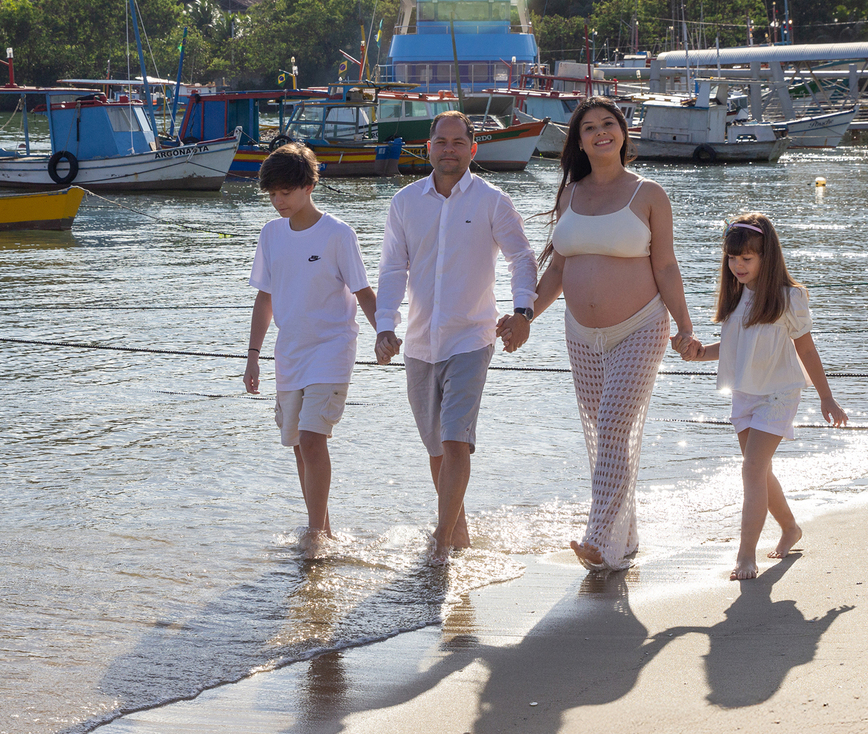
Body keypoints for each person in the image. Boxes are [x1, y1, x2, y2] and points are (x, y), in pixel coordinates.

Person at [526, 96, 695, 572]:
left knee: (614, 425)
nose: (600, 132)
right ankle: (627, 535)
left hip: (641, 326)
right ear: (578, 142)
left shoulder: (648, 194)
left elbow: (666, 266)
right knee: (606, 436)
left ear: (622, 132)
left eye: (608, 123)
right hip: (581, 335)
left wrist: (685, 326)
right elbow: (557, 270)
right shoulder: (569, 194)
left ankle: (599, 538)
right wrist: (524, 316)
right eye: (589, 128)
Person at [375, 110, 538, 564]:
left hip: (471, 337)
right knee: (435, 447)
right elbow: (392, 267)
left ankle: (441, 542)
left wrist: (523, 311)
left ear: (473, 148)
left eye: (458, 142)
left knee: (454, 440)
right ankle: (459, 529)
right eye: (441, 142)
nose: (449, 149)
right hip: (419, 341)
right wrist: (385, 325)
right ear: (428, 147)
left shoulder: (492, 201)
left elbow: (521, 258)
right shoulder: (405, 201)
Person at [676, 212, 848, 580]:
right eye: (732, 257)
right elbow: (734, 348)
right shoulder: (737, 296)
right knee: (760, 470)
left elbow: (806, 349)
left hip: (779, 394)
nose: (738, 265)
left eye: (747, 258)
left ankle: (745, 555)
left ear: (766, 257)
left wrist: (827, 398)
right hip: (745, 394)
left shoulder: (788, 297)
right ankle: (790, 528)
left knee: (751, 469)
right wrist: (697, 353)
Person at [244, 143, 378, 558]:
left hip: (332, 349)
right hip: (290, 353)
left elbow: (363, 291)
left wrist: (386, 333)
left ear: (308, 186)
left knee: (312, 438)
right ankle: (325, 530)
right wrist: (253, 356)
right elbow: (264, 298)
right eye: (272, 194)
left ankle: (314, 535)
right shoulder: (270, 234)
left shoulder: (338, 234)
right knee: (300, 445)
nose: (278, 200)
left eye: (285, 192)